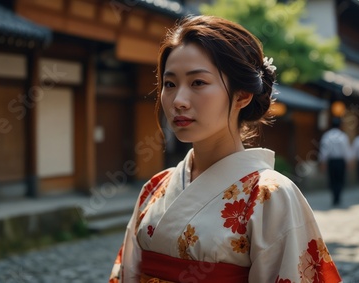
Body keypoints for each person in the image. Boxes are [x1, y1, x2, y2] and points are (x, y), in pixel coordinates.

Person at [109, 15, 341, 283]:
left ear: (242, 95)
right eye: (170, 84)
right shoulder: (155, 186)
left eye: (198, 83)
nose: (178, 101)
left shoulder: (270, 195)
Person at [318, 117, 352, 206]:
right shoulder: (343, 136)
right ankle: (338, 197)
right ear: (340, 125)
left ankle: (334, 197)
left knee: (332, 180)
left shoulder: (327, 136)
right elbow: (346, 150)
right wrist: (348, 161)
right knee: (340, 180)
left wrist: (323, 162)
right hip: (340, 161)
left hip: (331, 162)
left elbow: (324, 151)